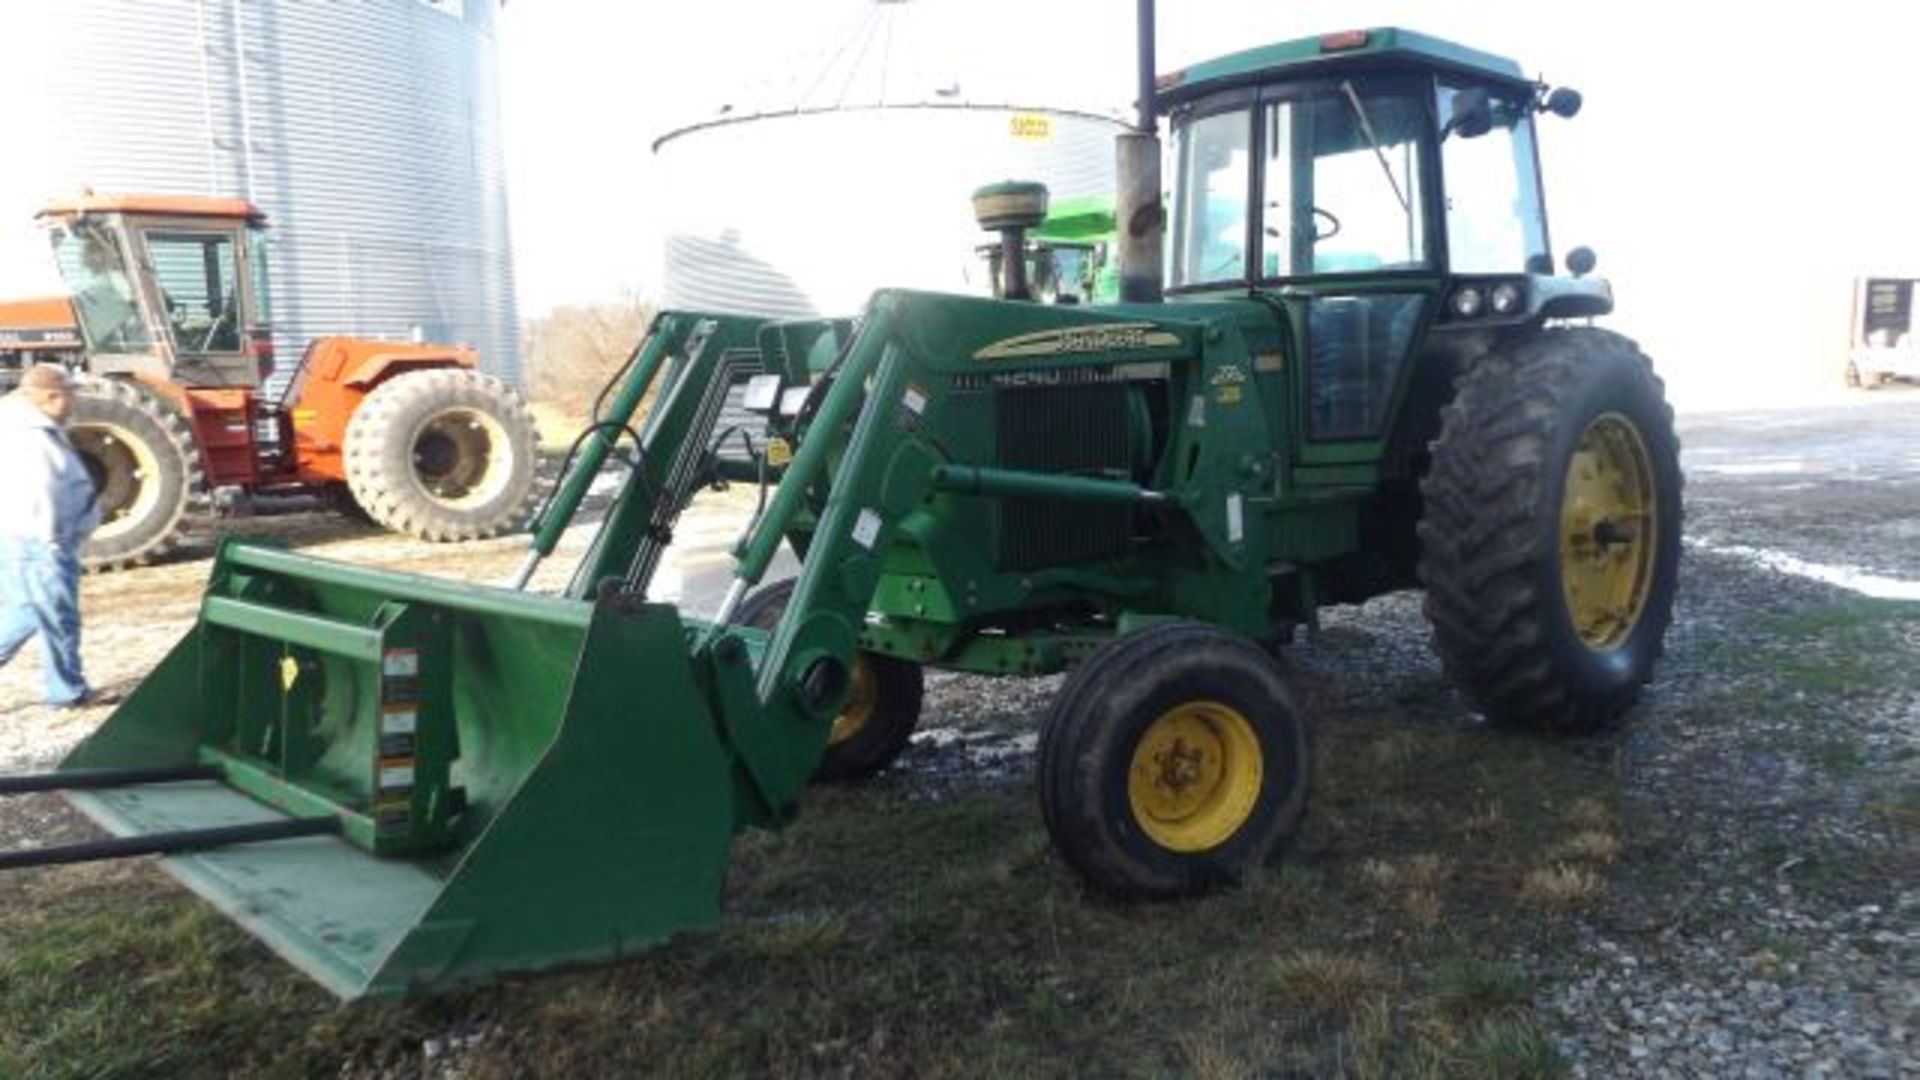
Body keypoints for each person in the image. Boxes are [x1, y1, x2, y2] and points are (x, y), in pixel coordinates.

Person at [0, 364, 103, 708]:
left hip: (21, 538)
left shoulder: (28, 425)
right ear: (51, 397)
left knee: (28, 612)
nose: (74, 401)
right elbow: (42, 489)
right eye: (70, 394)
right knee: (59, 618)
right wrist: (55, 539)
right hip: (40, 542)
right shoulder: (31, 434)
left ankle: (65, 688)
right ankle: (67, 692)